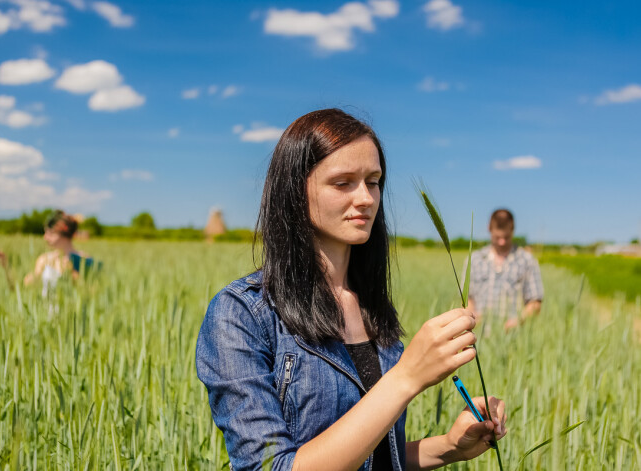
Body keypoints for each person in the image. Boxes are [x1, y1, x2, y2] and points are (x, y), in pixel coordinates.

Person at [196, 109, 507, 470]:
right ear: (295, 190)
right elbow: (272, 466)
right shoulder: (240, 315)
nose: (366, 198)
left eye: (373, 181)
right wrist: (406, 378)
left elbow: (371, 457)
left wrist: (449, 446)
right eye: (343, 183)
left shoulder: (370, 307)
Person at [466, 209, 543, 331]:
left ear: (513, 230)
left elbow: (535, 302)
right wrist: (472, 318)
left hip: (514, 339)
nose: (502, 241)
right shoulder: (475, 259)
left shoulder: (527, 260)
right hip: (479, 336)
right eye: (497, 237)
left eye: (506, 237)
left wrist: (518, 321)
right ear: (489, 229)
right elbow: (468, 298)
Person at [0, 210, 92, 296]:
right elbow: (20, 288)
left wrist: (72, 274)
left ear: (64, 231)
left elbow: (92, 295)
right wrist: (6, 266)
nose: (45, 237)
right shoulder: (45, 260)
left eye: (50, 233)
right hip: (48, 316)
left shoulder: (85, 260)